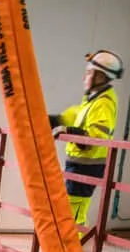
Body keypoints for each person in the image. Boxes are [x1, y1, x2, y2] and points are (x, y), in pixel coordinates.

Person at [49, 49, 122, 230]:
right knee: (71, 209)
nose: (85, 77)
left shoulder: (103, 103)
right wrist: (55, 121)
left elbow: (95, 137)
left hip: (87, 167)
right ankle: (69, 249)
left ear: (100, 77)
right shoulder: (92, 99)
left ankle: (71, 251)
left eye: (89, 73)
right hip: (79, 164)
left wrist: (68, 130)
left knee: (74, 212)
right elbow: (76, 115)